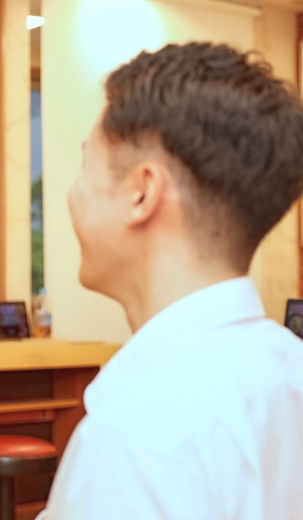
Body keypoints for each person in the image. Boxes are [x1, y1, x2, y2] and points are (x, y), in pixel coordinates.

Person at [38, 43, 303, 519]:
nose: (71, 194)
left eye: (85, 165)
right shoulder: (288, 371)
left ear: (142, 192)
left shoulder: (137, 436)